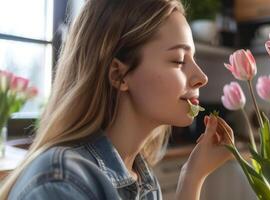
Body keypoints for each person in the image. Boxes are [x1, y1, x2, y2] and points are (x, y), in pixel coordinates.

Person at [0, 0, 234, 199]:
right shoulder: (60, 181)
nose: (201, 78)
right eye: (178, 60)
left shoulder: (140, 177)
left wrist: (192, 177)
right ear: (118, 74)